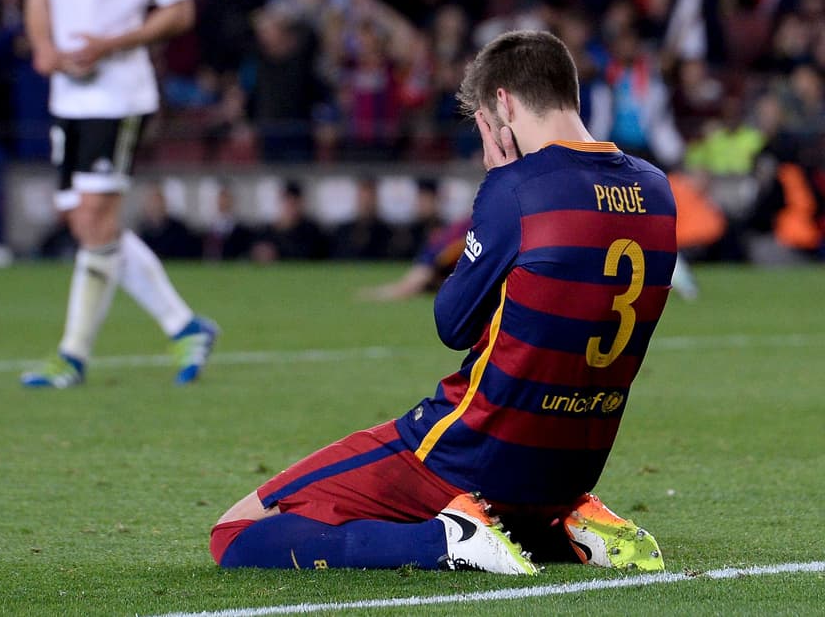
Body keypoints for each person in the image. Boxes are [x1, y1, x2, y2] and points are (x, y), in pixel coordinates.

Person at [211, 31, 677, 575]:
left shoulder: (518, 188)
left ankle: (448, 542)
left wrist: (498, 185)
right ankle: (567, 530)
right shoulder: (659, 191)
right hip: (569, 469)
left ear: (502, 103)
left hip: (470, 453)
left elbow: (451, 322)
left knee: (236, 533)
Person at [17, 0, 218, 388]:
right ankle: (185, 326)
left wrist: (112, 43)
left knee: (95, 218)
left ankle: (71, 355)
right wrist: (42, 48)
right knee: (85, 222)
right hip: (67, 93)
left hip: (119, 92)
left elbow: (179, 10)